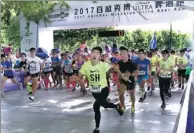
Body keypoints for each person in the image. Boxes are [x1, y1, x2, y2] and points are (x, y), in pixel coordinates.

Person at [70, 46, 128, 133]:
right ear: (90, 54)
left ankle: (97, 128)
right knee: (104, 105)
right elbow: (80, 75)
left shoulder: (103, 65)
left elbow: (114, 67)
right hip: (94, 91)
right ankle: (116, 106)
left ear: (100, 56)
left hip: (104, 89)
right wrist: (76, 78)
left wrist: (122, 75)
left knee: (96, 106)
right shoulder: (86, 65)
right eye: (93, 52)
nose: (95, 54)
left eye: (97, 53)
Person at [118, 46, 138, 113]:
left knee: (132, 95)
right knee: (120, 94)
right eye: (121, 53)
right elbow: (117, 71)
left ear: (127, 54)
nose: (123, 55)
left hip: (131, 81)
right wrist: (119, 78)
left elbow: (136, 72)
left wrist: (130, 74)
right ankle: (123, 106)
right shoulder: (119, 63)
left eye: (124, 53)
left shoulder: (131, 63)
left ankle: (133, 106)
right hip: (123, 81)